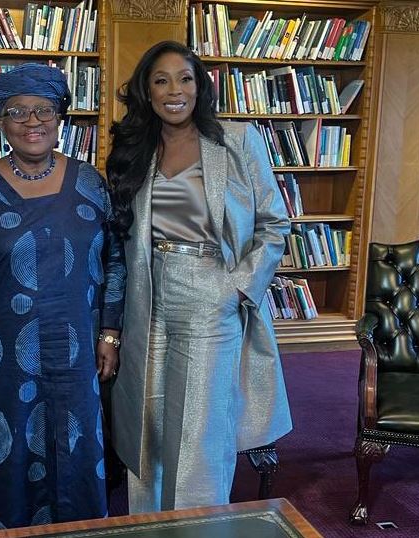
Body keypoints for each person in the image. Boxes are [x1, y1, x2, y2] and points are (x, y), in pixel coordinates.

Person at [0, 63, 125, 532]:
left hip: (77, 357)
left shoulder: (91, 183)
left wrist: (110, 334)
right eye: (18, 112)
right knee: (4, 458)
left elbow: (115, 261)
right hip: (0, 360)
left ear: (60, 118)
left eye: (44, 110)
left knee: (77, 452)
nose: (32, 122)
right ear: (1, 122)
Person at [106, 40, 292, 513]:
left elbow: (274, 224)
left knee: (199, 428)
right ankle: (148, 525)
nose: (175, 90)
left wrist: (239, 287)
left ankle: (197, 525)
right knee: (148, 423)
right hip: (147, 293)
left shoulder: (238, 140)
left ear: (199, 86)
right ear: (147, 92)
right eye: (161, 80)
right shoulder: (135, 148)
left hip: (212, 288)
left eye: (185, 79)